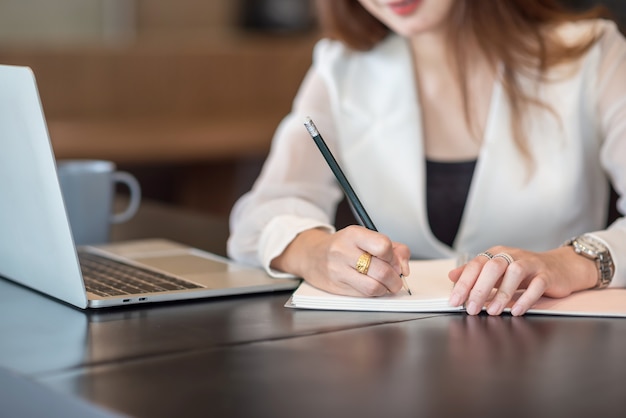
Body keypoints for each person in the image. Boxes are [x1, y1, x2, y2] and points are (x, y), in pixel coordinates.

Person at [227, 0, 626, 316]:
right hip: (396, 359)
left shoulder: (594, 55)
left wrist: (570, 263)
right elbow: (257, 217)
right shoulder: (341, 70)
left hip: (558, 356)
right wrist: (314, 252)